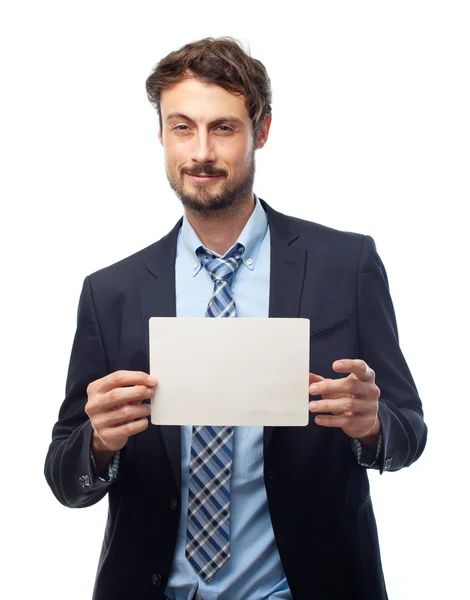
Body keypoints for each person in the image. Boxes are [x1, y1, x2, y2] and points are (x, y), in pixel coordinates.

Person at [44, 37, 427, 600]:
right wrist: (98, 443)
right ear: (161, 135)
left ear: (262, 131)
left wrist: (372, 426)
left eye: (223, 128)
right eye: (182, 127)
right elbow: (65, 476)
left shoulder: (347, 265)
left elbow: (409, 432)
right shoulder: (111, 292)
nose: (201, 152)